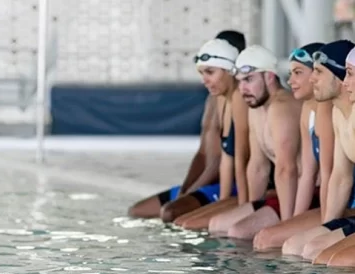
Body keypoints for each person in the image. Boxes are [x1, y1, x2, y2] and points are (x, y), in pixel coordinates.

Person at [127, 30, 247, 220]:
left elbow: (227, 161)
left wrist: (195, 192)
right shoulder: (214, 99)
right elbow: (203, 153)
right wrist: (186, 188)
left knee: (171, 214)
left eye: (210, 71)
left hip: (226, 184)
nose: (205, 79)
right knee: (138, 211)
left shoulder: (240, 100)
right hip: (208, 181)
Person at [208, 45, 305, 240]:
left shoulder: (281, 107)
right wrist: (253, 206)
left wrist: (287, 224)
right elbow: (258, 166)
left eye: (249, 80)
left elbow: (288, 170)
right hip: (285, 192)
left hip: (308, 195)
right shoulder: (256, 109)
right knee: (216, 225)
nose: (243, 89)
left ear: (269, 77)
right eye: (240, 82)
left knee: (240, 232)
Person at [253, 43, 334, 251]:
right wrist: (293, 222)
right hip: (328, 199)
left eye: (298, 73)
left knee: (282, 243)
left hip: (340, 204)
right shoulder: (308, 109)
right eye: (290, 74)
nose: (290, 81)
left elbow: (330, 178)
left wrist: (328, 227)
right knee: (269, 238)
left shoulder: (327, 109)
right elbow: (306, 174)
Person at [281, 40, 355, 263]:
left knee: (326, 258)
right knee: (299, 248)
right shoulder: (338, 115)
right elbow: (339, 177)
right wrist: (329, 227)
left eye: (319, 72)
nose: (312, 78)